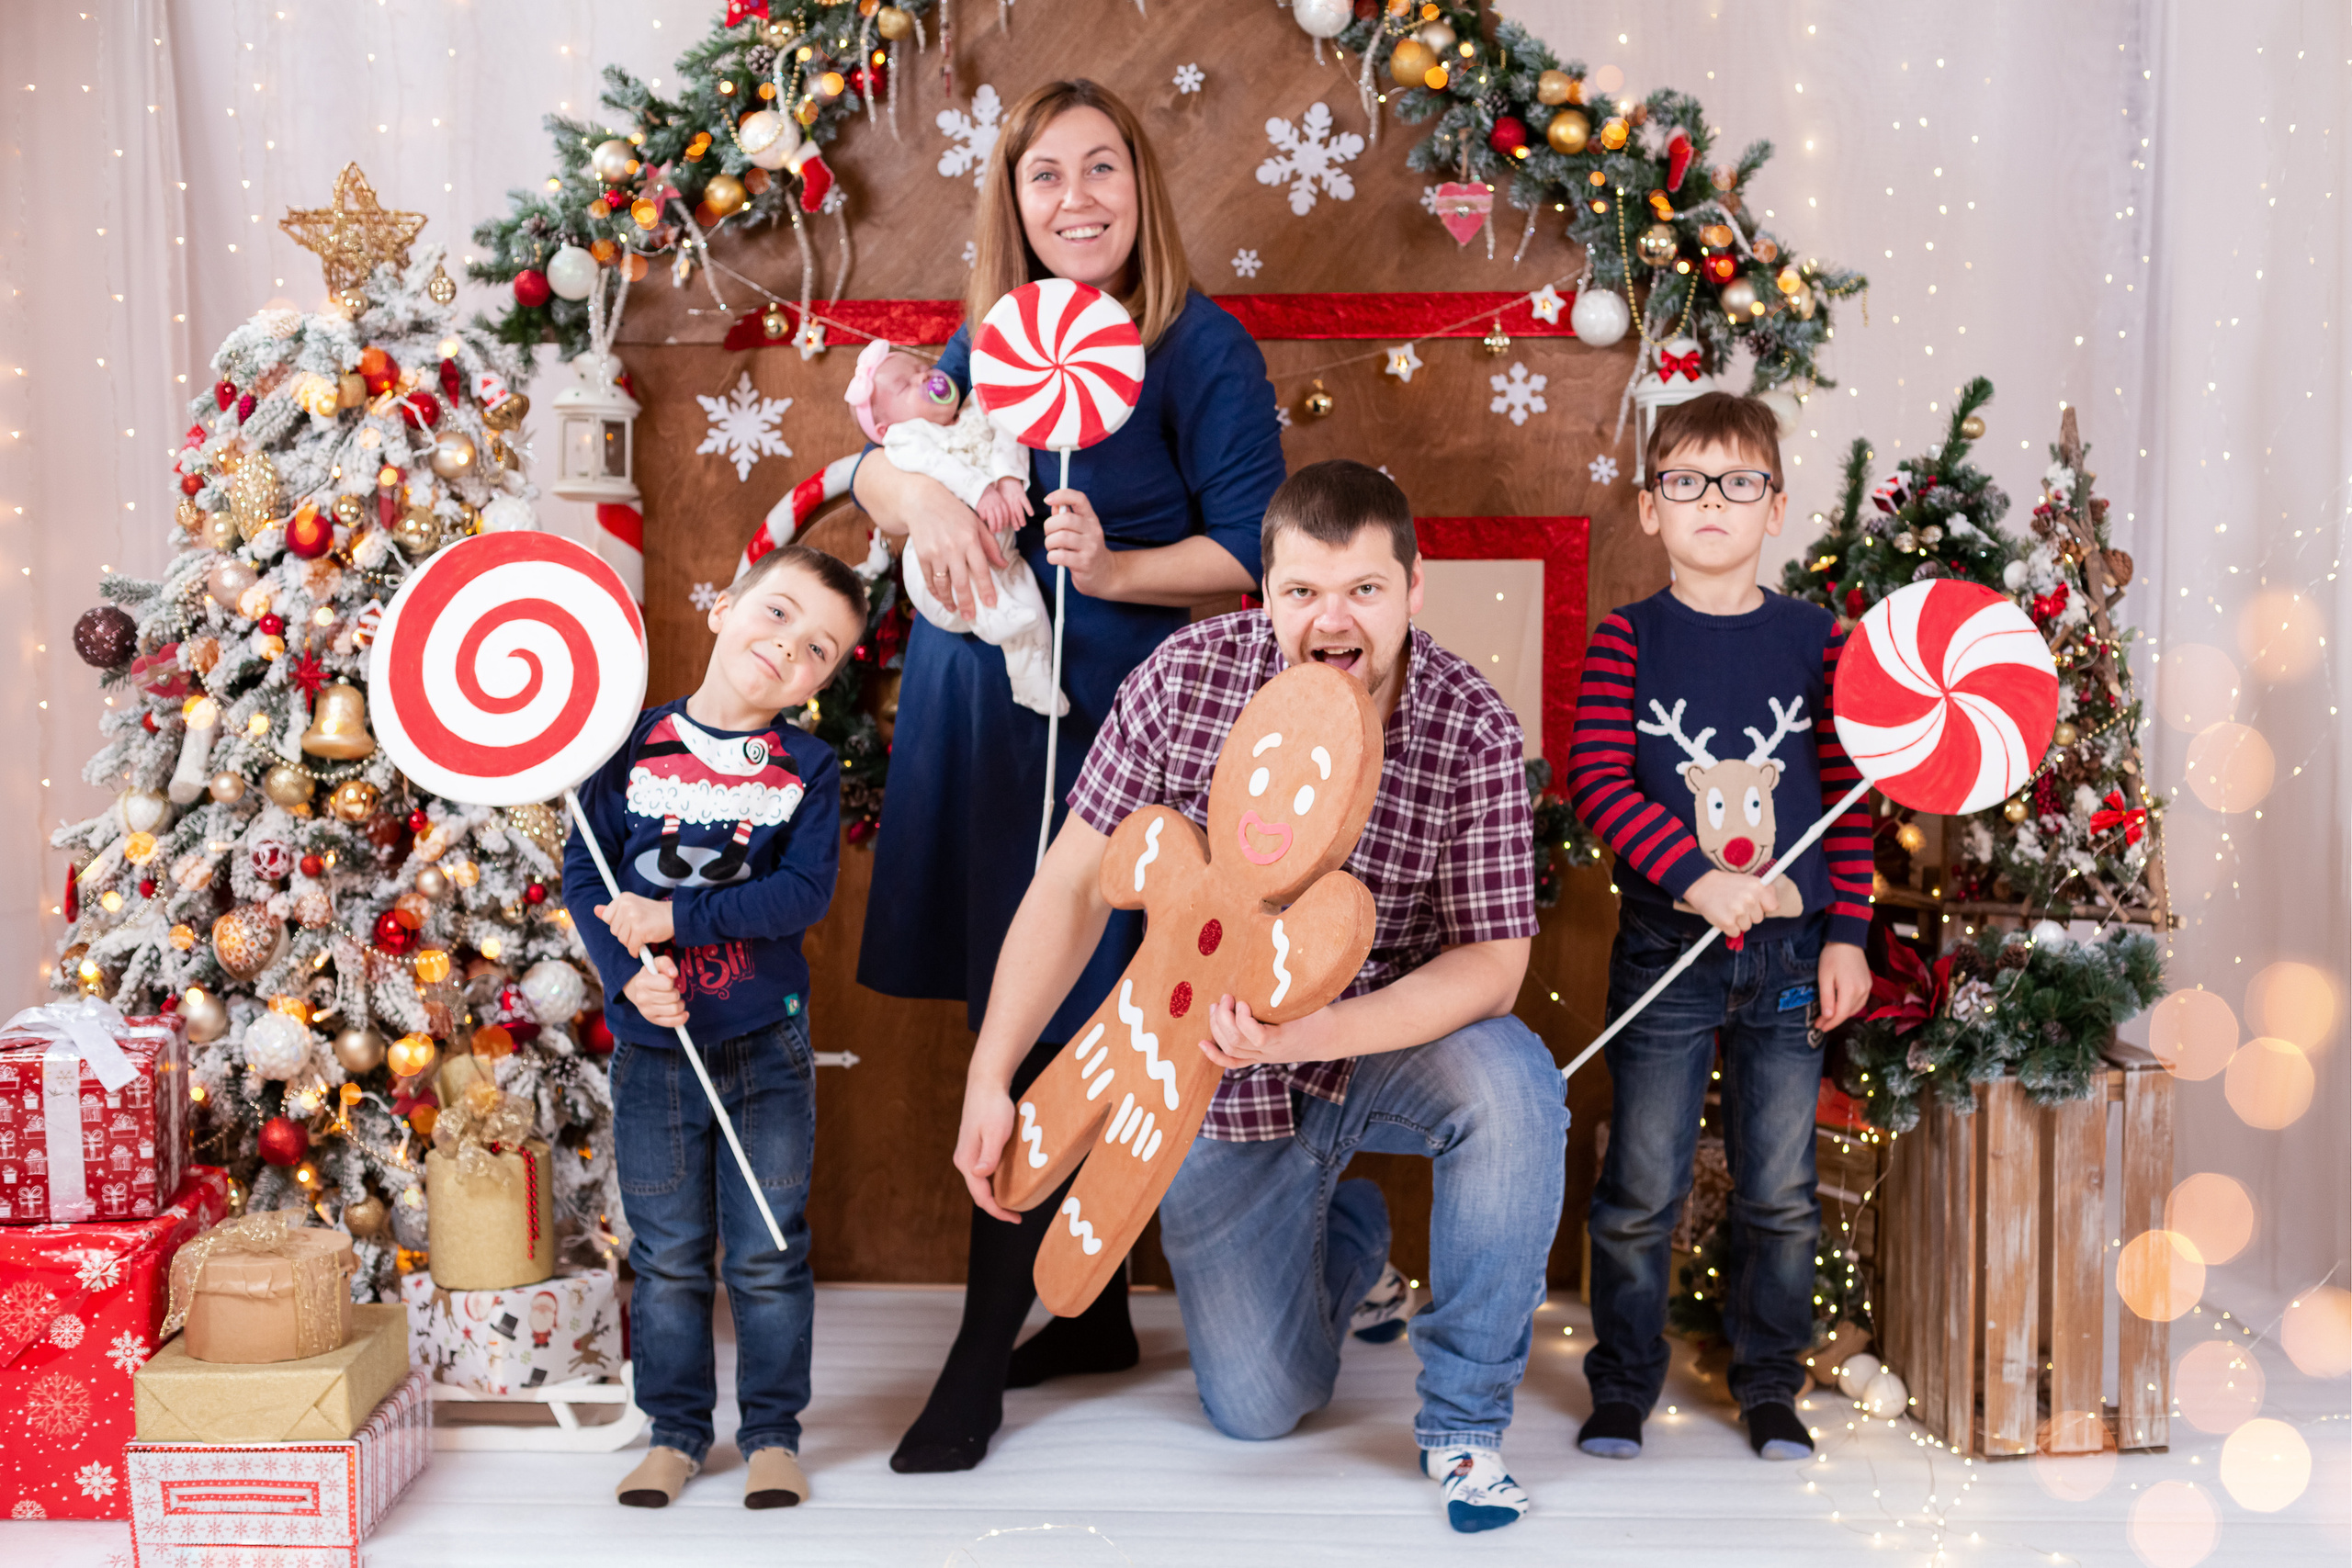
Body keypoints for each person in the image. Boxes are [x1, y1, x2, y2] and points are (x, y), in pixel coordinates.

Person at [951, 462, 1566, 1536]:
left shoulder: (1467, 720)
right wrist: (992, 1072)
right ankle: (1355, 1242)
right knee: (1256, 1408)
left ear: (1413, 590)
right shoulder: (1183, 681)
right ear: (1263, 595)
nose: (1333, 620)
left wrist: (1321, 1030)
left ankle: (1464, 1428)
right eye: (1302, 593)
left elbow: (1492, 966)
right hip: (1217, 1077)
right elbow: (1071, 888)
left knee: (1517, 1084)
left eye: (1365, 591)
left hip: (1380, 1039)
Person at [853, 78, 1287, 1473]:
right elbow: (873, 460)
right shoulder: (990, 338)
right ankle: (1071, 1316)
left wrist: (1112, 566)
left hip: (1132, 708)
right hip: (988, 706)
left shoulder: (1198, 347)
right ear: (1014, 198)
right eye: (1048, 175)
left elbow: (1251, 556)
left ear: (1141, 188)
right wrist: (915, 494)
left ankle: (987, 1349)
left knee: (1087, 1004)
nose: (1078, 199)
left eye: (1103, 169)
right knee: (1008, 991)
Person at [1565, 391, 1874, 1464]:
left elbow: (1848, 792)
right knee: (1640, 1183)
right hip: (1666, 949)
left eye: (1737, 483)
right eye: (1684, 482)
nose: (1711, 502)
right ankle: (1621, 1385)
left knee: (1779, 1191)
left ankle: (1769, 1386)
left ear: (1774, 508)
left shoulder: (1817, 643)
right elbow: (1597, 780)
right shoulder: (1625, 641)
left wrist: (1849, 934)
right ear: (1650, 509)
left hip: (1792, 957)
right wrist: (1696, 877)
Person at [562, 544, 871, 1510]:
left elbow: (799, 894)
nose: (789, 648)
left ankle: (772, 1433)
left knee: (769, 1248)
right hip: (655, 1053)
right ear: (725, 606)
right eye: (777, 615)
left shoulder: (806, 769)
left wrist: (676, 921)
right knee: (667, 1256)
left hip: (761, 1044)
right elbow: (587, 878)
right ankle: (677, 1432)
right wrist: (626, 980)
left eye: (819, 649)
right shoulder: (624, 747)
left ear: (826, 677)